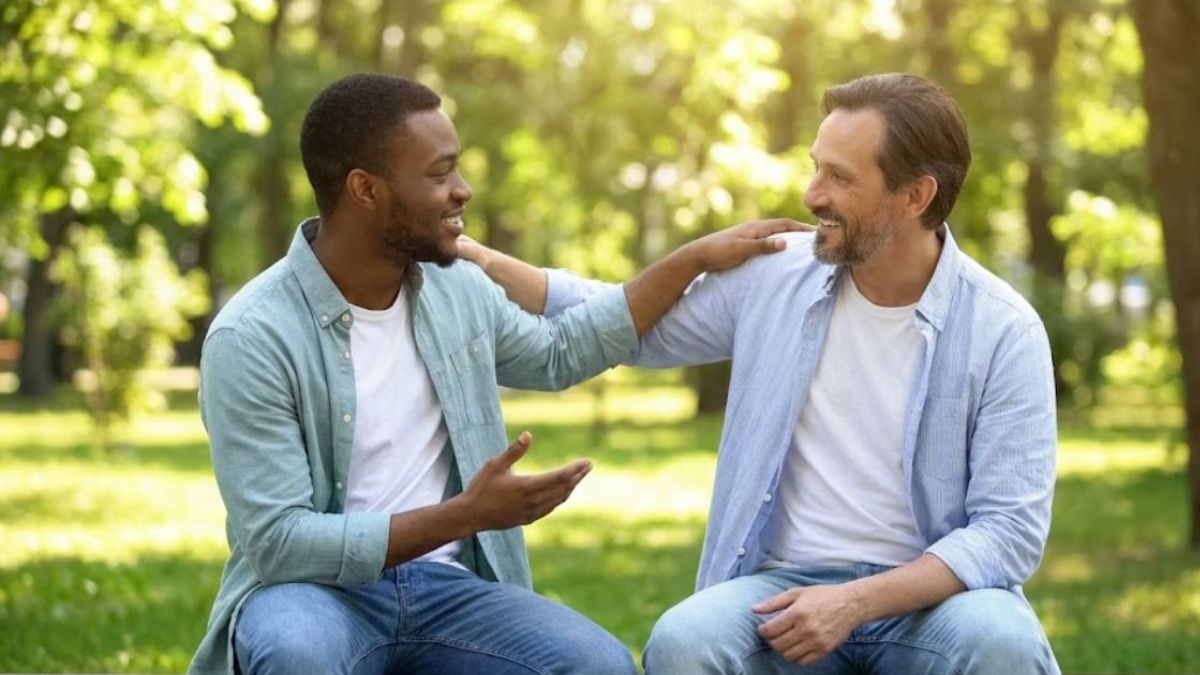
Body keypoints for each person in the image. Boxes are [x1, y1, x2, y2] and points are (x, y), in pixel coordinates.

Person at [189, 73, 804, 675]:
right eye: (439, 173)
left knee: (599, 664)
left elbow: (562, 350)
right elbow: (280, 544)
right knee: (297, 654)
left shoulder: (457, 290)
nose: (463, 190)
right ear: (365, 189)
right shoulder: (254, 337)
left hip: (448, 589)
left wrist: (689, 260)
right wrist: (467, 514)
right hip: (312, 593)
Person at [460, 73, 1061, 674]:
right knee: (686, 639)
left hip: (933, 603)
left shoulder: (1003, 329)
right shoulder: (776, 277)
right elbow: (624, 322)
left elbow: (1007, 531)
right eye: (815, 167)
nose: (811, 195)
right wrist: (481, 259)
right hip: (779, 592)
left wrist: (853, 602)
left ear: (915, 196)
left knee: (1002, 642)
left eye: (840, 177)